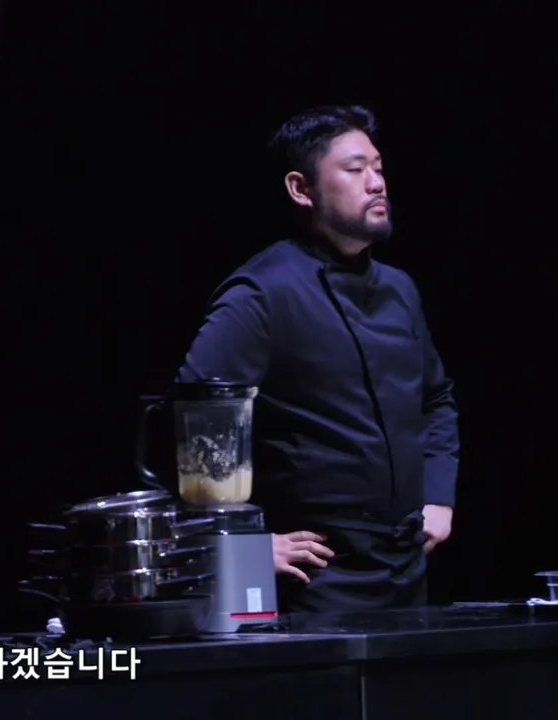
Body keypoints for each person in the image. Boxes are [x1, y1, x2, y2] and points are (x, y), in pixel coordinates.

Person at [176, 105, 460, 613]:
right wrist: (237, 542)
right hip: (314, 575)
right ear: (301, 189)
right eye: (355, 169)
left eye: (378, 168)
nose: (376, 183)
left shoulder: (400, 289)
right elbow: (191, 421)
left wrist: (439, 497)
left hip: (405, 564)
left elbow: (436, 398)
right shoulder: (262, 292)